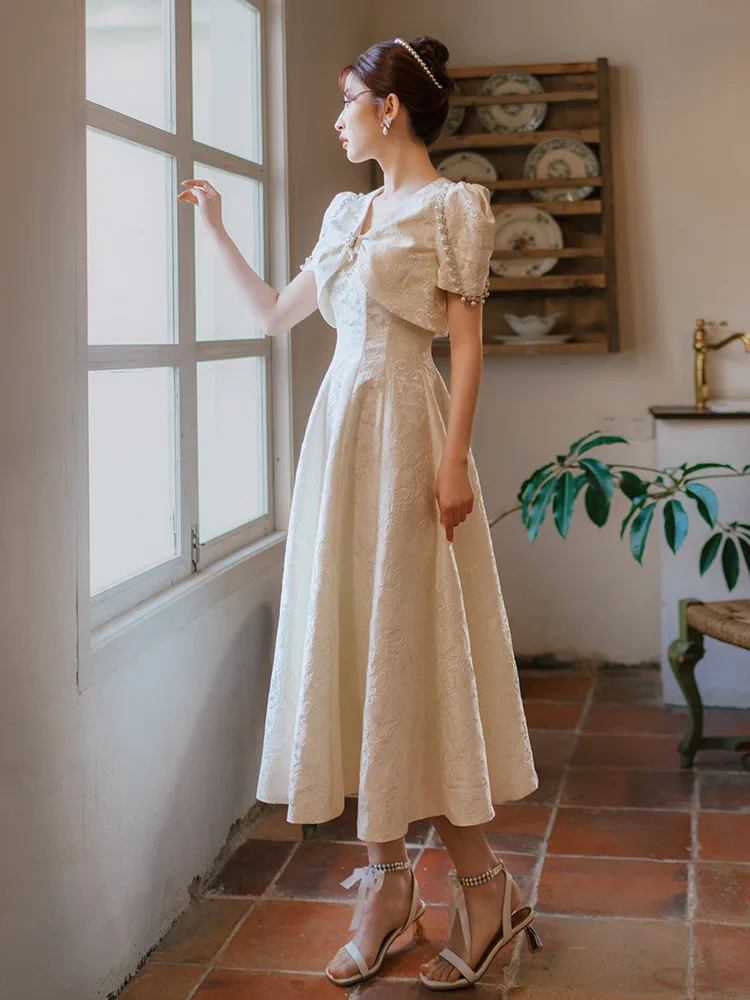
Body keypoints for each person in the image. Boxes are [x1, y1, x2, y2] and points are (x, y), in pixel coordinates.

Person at [177, 33, 540, 992]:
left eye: (347, 101)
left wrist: (455, 460)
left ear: (390, 109)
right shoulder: (348, 211)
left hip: (410, 439)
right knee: (361, 650)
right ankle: (388, 889)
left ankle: (476, 885)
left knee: (411, 649)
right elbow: (271, 316)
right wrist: (213, 224)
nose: (336, 118)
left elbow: (465, 344)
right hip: (339, 442)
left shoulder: (452, 206)